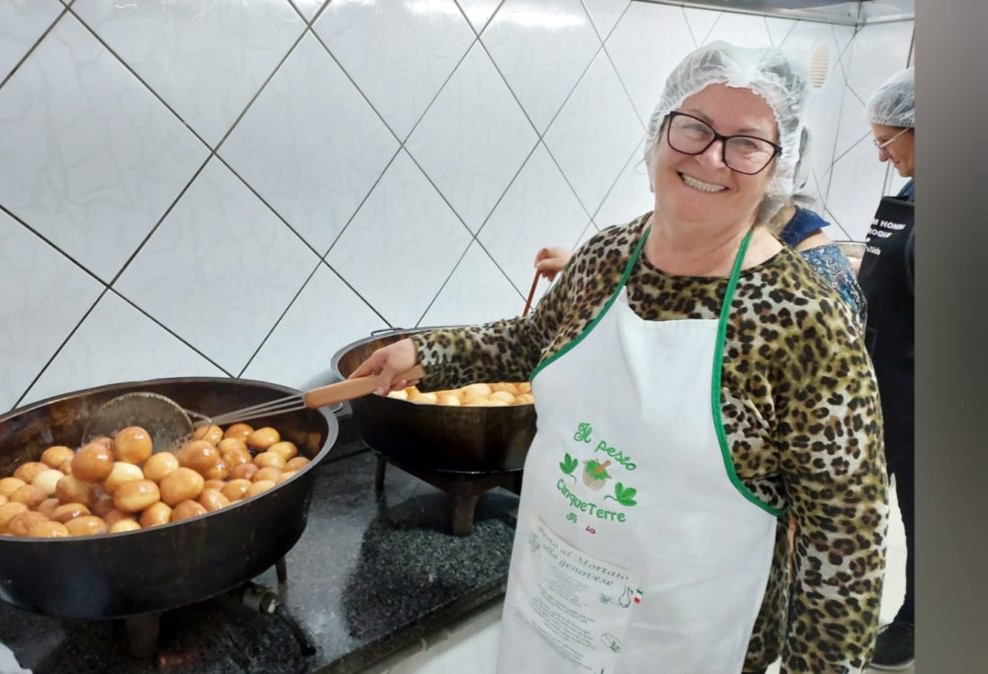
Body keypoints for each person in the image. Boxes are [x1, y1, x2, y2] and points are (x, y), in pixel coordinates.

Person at [351, 41, 888, 674]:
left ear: (778, 165)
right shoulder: (610, 254)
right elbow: (532, 341)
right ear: (660, 132)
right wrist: (427, 352)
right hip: (552, 607)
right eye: (693, 127)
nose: (711, 157)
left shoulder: (806, 320)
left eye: (746, 143)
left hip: (689, 638)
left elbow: (845, 538)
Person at [536, 130, 868, 329]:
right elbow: (677, 299)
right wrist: (586, 267)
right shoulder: (719, 240)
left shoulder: (819, 282)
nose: (711, 159)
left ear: (776, 173)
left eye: (745, 146)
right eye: (696, 133)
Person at [861, 66, 916, 671]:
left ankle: (919, 623)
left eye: (887, 141)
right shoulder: (908, 194)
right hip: (887, 383)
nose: (880, 154)